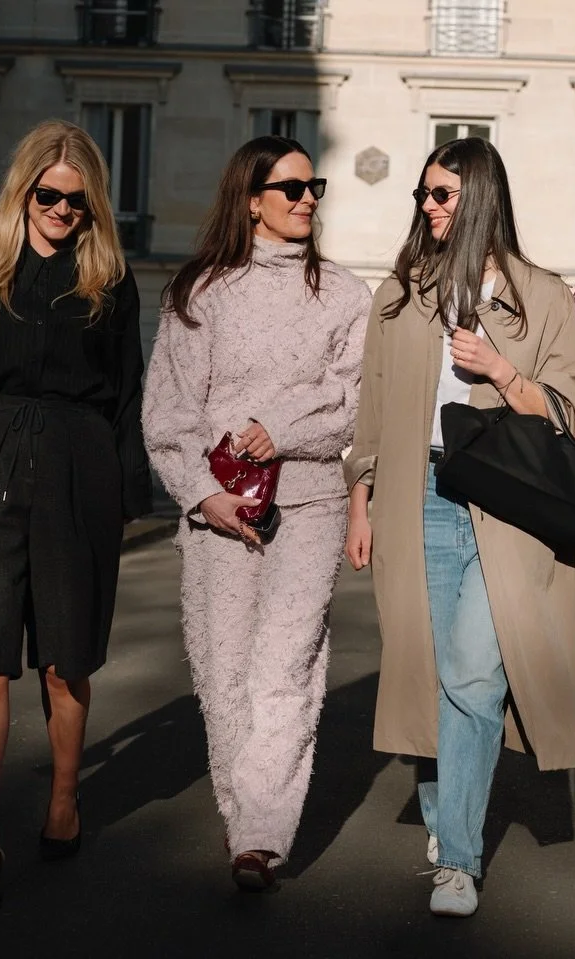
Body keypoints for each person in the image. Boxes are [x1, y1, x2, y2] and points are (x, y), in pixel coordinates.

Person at [0, 119, 151, 916]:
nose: (63, 211)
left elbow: (129, 392)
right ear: (23, 191)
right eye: (49, 196)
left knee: (65, 656)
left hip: (80, 468)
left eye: (78, 202)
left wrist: (129, 494)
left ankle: (64, 798)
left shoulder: (109, 280)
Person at [343, 137, 575, 918]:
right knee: (432, 670)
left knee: (476, 674)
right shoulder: (401, 293)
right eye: (422, 193)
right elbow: (374, 405)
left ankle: (457, 858)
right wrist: (361, 499)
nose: (427, 205)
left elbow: (569, 414)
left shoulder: (543, 295)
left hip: (508, 507)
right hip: (418, 494)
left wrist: (501, 370)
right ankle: (447, 811)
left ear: (480, 195)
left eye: (441, 193)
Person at [143, 136, 370, 891]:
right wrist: (201, 495)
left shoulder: (345, 295)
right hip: (216, 508)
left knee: (287, 665)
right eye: (291, 188)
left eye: (314, 187)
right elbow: (168, 411)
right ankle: (243, 813)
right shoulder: (199, 292)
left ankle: (261, 836)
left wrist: (282, 428)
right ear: (250, 200)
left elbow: (352, 402)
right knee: (224, 670)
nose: (307, 199)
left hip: (310, 502)